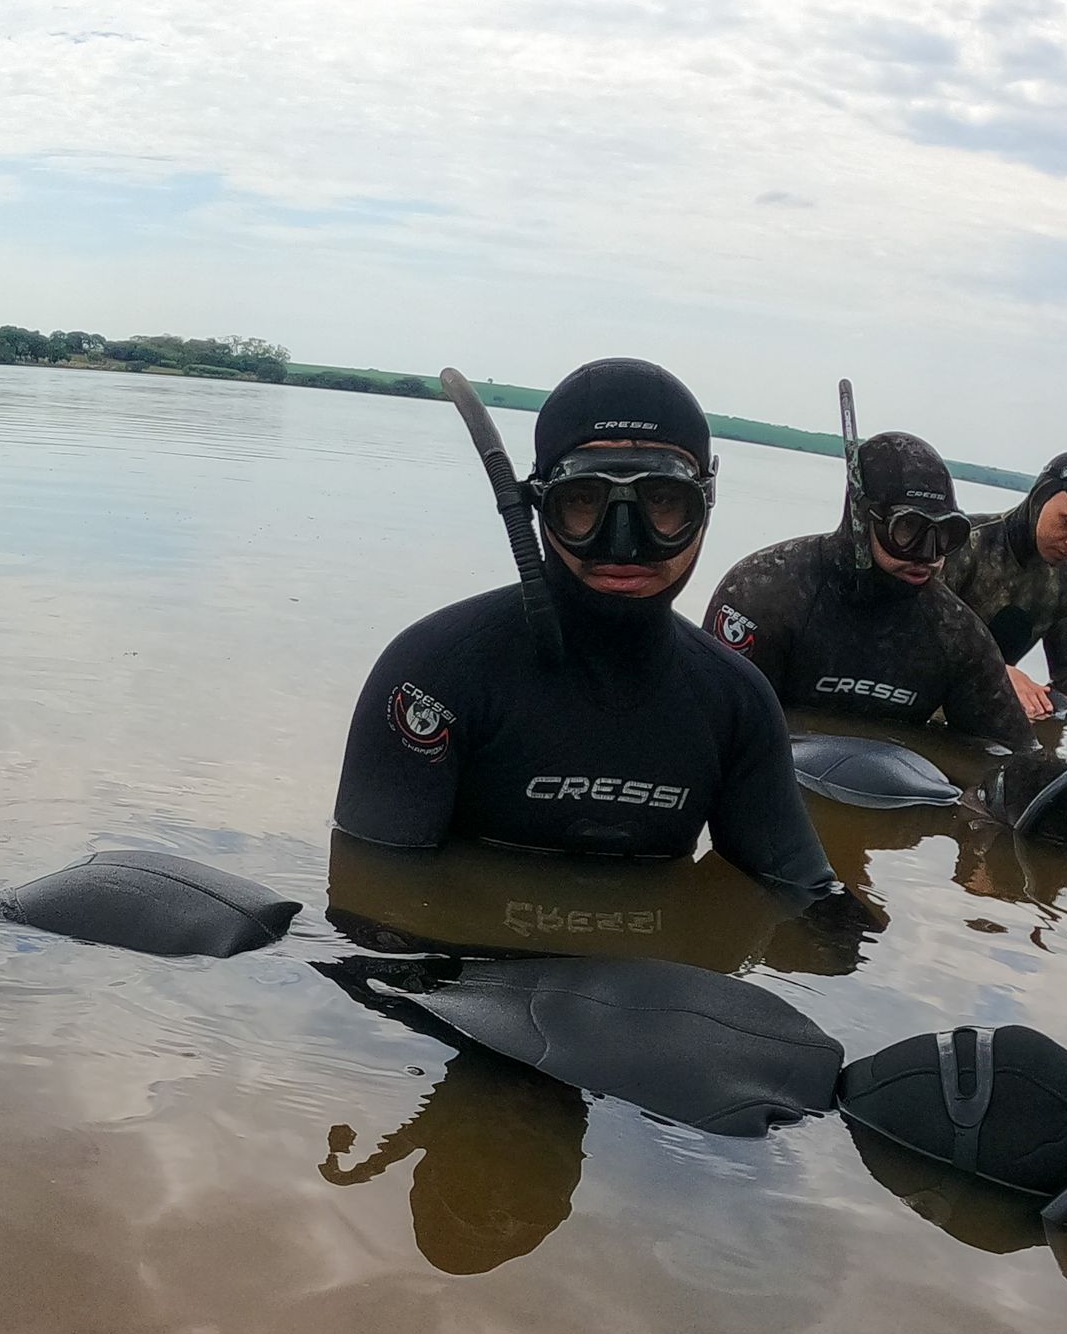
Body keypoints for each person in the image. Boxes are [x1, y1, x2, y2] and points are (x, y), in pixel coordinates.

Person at [334, 357, 867, 927]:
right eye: (584, 501)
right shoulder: (435, 675)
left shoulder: (737, 703)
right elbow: (371, 909)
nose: (623, 545)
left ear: (706, 504)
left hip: (643, 985)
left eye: (662, 502)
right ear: (538, 505)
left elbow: (805, 891)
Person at [703, 431, 1034, 749]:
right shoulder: (764, 595)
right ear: (861, 521)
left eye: (946, 533)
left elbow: (1013, 753)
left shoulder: (956, 633)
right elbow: (708, 729)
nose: (928, 555)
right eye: (908, 529)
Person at [942, 449, 1067, 720]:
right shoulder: (965, 543)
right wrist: (994, 670)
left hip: (984, 712)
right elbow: (913, 633)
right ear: (1039, 498)